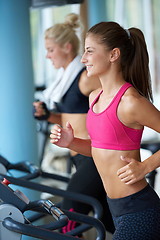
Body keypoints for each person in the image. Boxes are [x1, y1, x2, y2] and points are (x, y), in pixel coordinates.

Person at [50, 21, 160, 239]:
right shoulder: (95, 97)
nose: (83, 59)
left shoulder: (130, 102)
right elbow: (100, 150)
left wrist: (145, 167)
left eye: (90, 51)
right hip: (116, 208)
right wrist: (71, 142)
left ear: (113, 55)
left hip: (138, 209)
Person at [33, 14, 115, 235]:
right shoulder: (66, 80)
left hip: (92, 157)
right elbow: (73, 118)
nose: (47, 55)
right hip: (79, 157)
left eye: (51, 49)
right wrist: (47, 116)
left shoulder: (85, 78)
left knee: (67, 221)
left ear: (67, 47)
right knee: (110, 219)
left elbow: (113, 100)